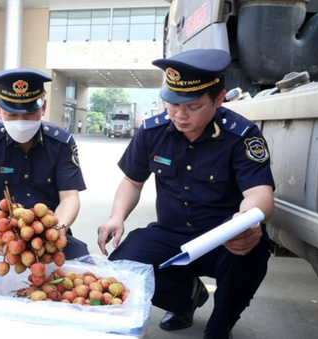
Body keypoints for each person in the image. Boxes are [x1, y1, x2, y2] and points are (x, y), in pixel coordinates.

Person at [97, 49, 275, 339]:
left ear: (219, 99)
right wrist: (117, 216)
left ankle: (220, 326)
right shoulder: (152, 132)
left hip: (223, 236)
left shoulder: (242, 135)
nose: (179, 115)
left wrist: (246, 221)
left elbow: (260, 192)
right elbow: (132, 181)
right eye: (172, 103)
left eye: (192, 107)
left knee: (250, 255)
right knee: (124, 266)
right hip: (172, 234)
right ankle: (186, 299)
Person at [0, 68, 89, 262]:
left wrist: (59, 230)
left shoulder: (61, 143)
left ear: (43, 107)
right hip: (1, 229)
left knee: (81, 262)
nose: (21, 121)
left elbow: (69, 197)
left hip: (47, 235)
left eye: (30, 113)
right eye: (12, 115)